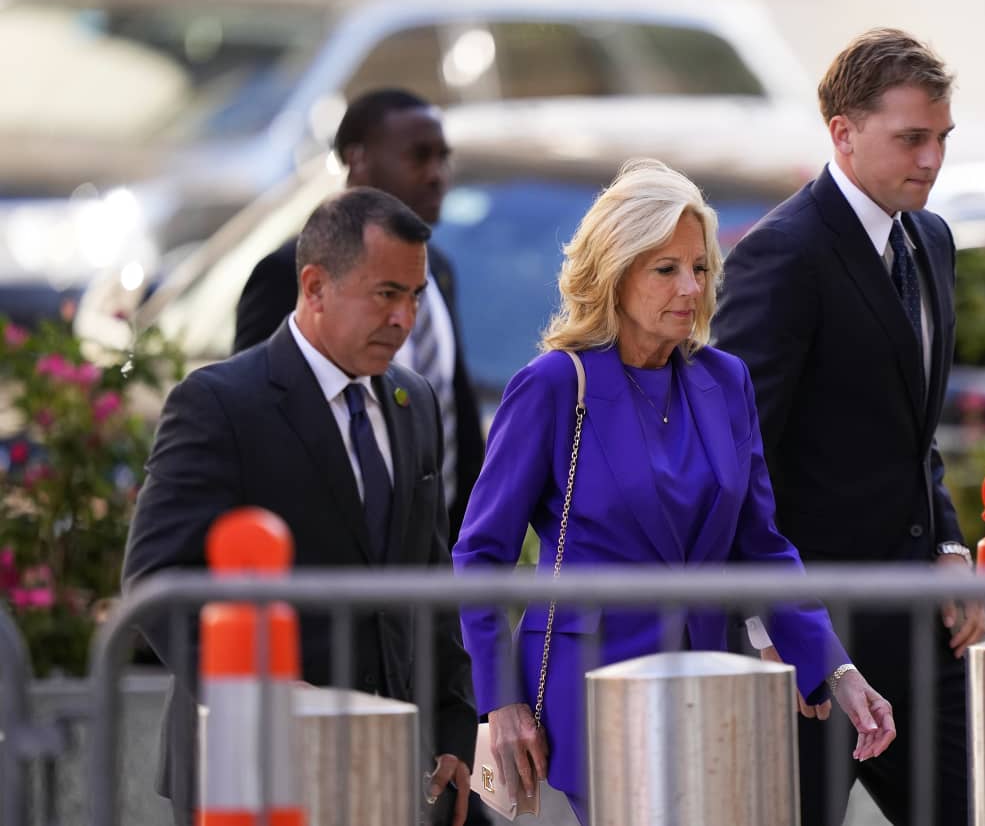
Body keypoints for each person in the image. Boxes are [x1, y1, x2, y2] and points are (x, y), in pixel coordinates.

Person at [452, 159, 897, 824]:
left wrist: (835, 668)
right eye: (666, 269)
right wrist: (501, 701)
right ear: (616, 273)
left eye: (700, 267)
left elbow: (762, 545)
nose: (691, 287)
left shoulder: (726, 381)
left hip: (708, 682)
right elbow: (479, 556)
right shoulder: (553, 386)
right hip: (593, 691)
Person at [124, 187, 477, 826]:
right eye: (385, 294)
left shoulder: (413, 402)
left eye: (415, 296)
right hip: (251, 768)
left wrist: (453, 730)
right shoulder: (220, 403)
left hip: (387, 762)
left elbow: (429, 580)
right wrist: (258, 698)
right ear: (314, 288)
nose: (405, 319)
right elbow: (156, 580)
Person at [712, 29, 985, 826]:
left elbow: (911, 427)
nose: (932, 159)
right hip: (812, 635)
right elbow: (742, 451)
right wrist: (767, 624)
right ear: (844, 132)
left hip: (918, 629)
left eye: (941, 139)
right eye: (911, 139)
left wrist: (946, 542)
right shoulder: (782, 255)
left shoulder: (930, 238)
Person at [234, 88, 484, 540]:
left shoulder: (439, 272)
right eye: (418, 156)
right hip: (330, 567)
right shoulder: (285, 275)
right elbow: (257, 420)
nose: (437, 175)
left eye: (443, 158)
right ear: (359, 160)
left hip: (431, 568)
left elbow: (456, 420)